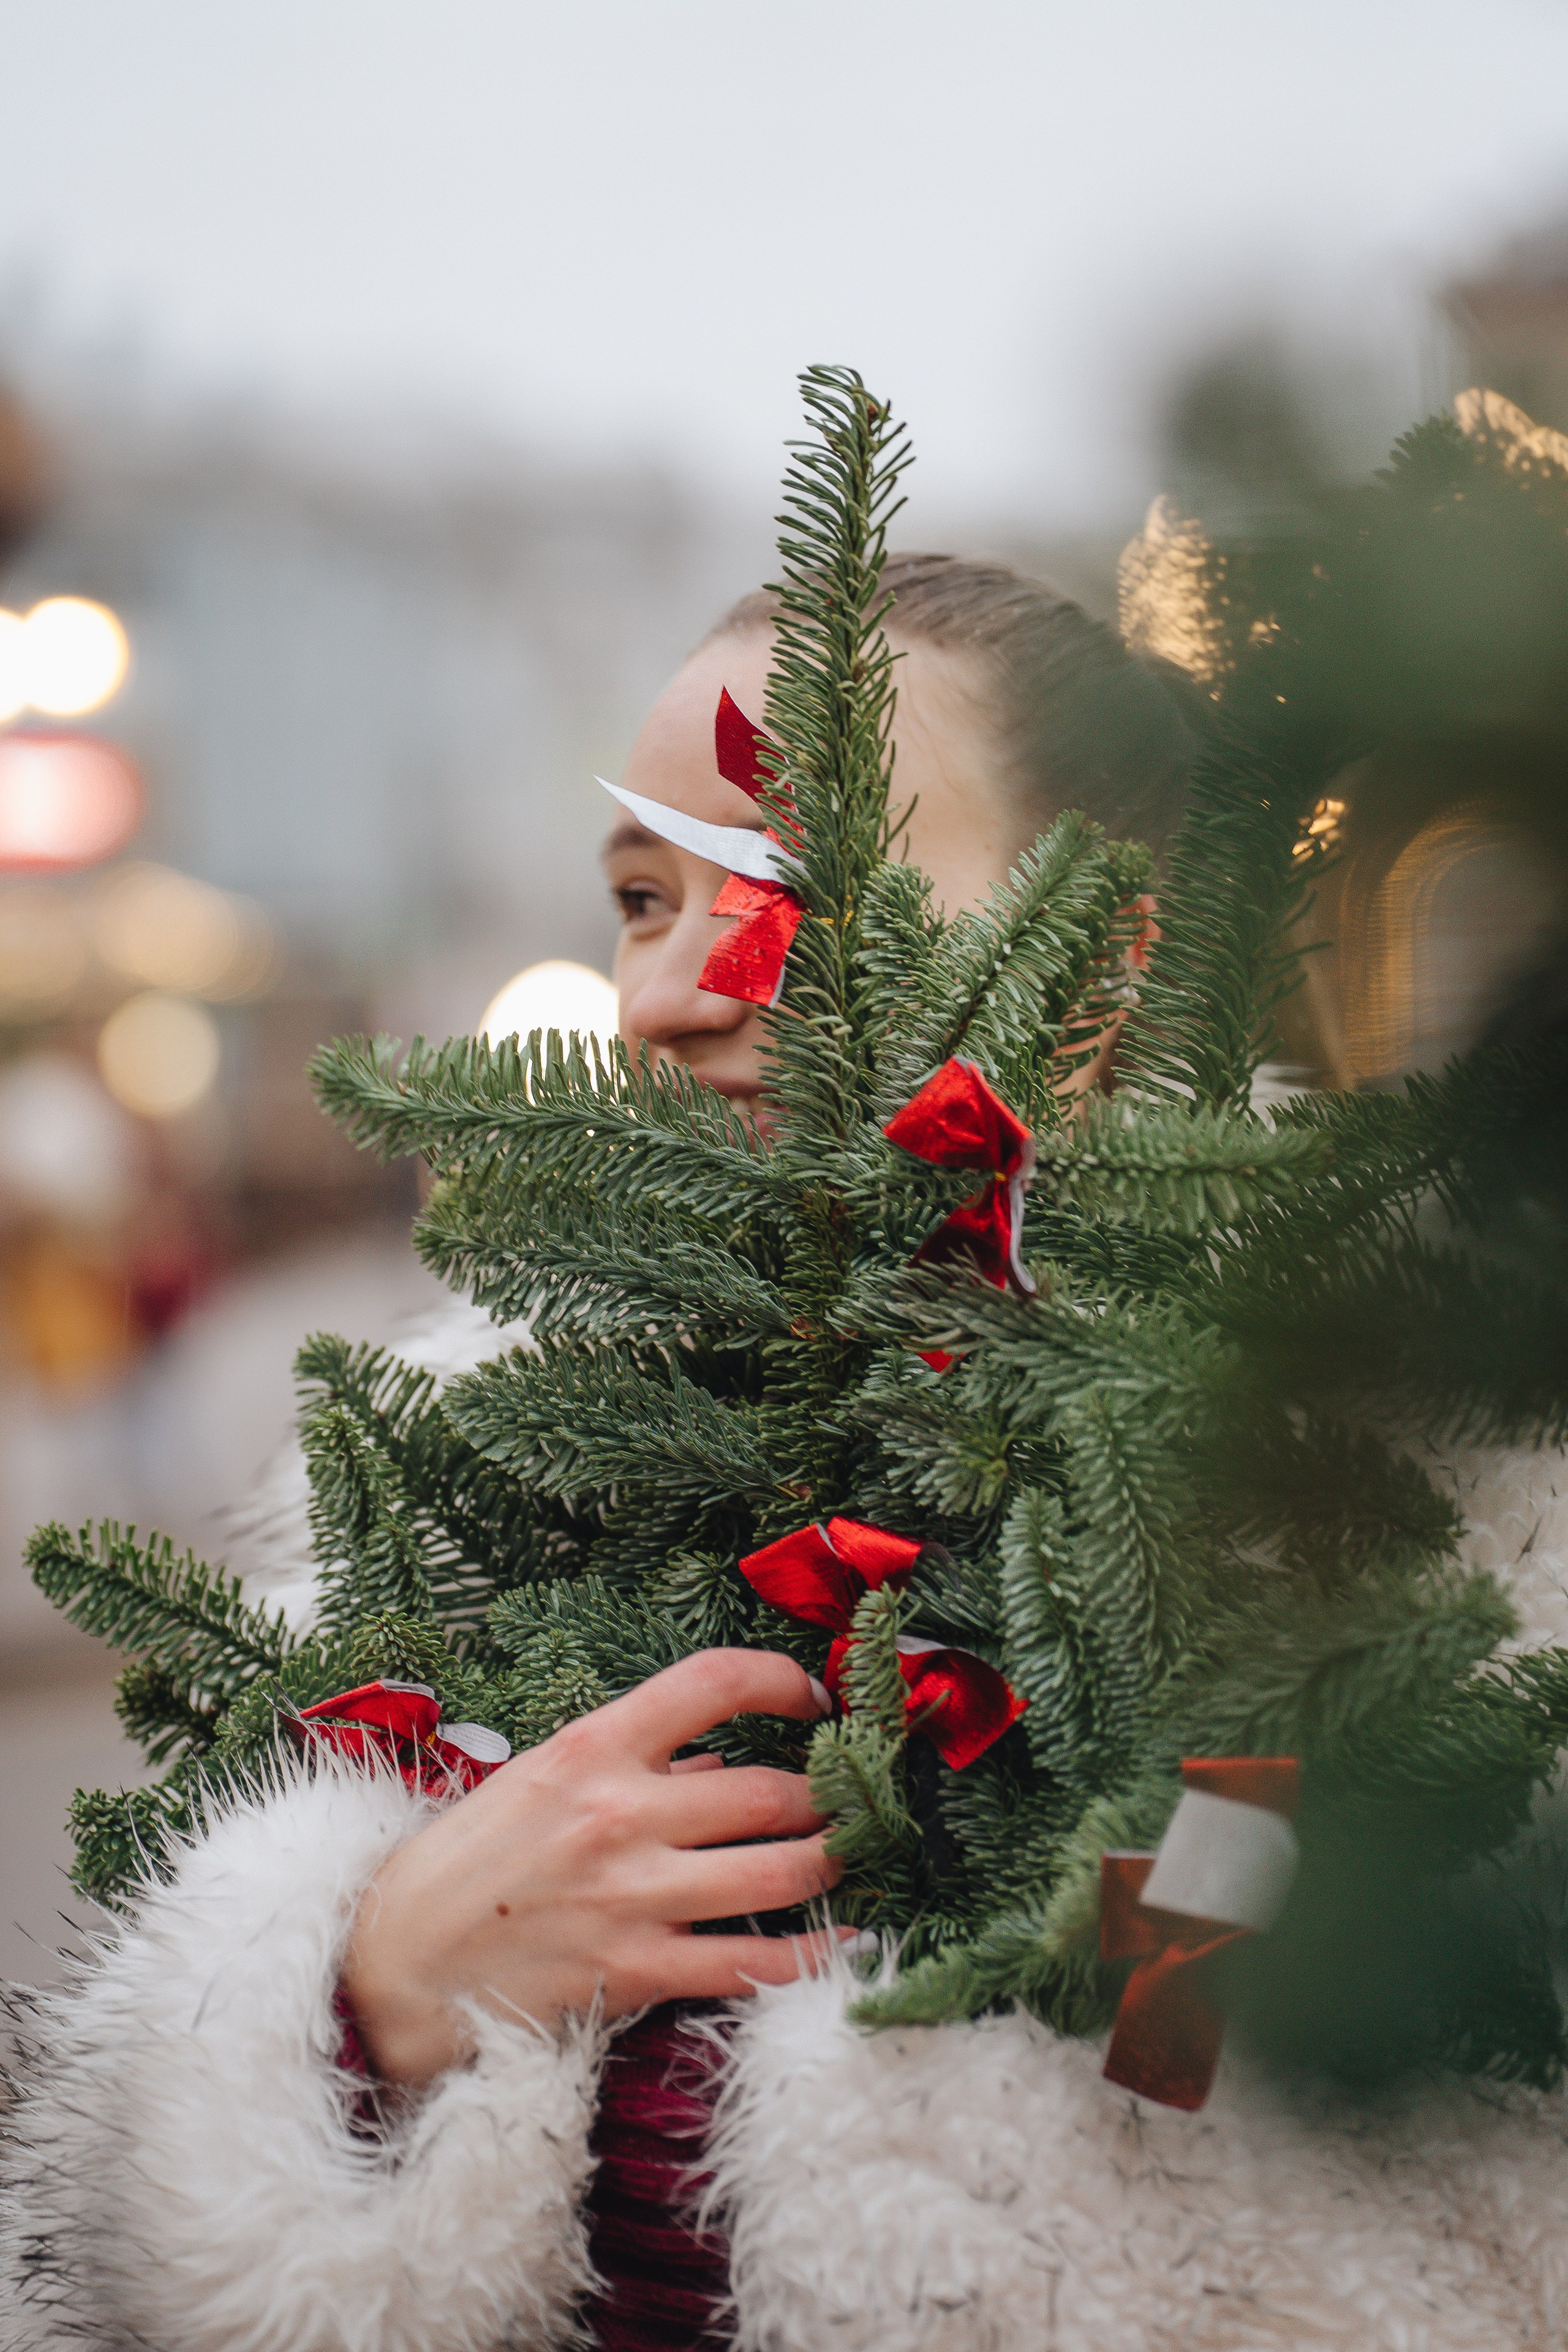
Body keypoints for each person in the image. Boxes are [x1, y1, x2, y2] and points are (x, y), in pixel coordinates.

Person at [29, 555, 1568, 2352]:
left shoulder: (1368, 1511)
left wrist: (704, 2144)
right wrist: (367, 1996)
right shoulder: (478, 1483)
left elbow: (1400, 2214)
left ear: (1106, 957)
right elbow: (126, 2221)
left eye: (791, 887)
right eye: (635, 896)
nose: (671, 992)